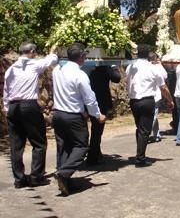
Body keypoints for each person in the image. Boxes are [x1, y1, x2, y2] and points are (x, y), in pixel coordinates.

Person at [52, 43, 106, 196]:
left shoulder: (58, 70)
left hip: (58, 114)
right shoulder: (80, 75)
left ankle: (65, 180)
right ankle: (64, 173)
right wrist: (97, 115)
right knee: (81, 145)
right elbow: (89, 98)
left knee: (63, 147)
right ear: (81, 57)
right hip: (73, 116)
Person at [3, 42, 58, 188]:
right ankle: (36, 176)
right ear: (32, 51)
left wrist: (7, 109)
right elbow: (51, 60)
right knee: (39, 142)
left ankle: (19, 179)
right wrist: (53, 50)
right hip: (28, 105)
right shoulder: (33, 65)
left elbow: (6, 92)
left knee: (16, 144)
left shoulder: (11, 70)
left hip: (13, 106)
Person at [126, 45, 174, 166]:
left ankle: (139, 152)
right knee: (145, 129)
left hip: (134, 101)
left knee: (140, 128)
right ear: (148, 54)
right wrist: (170, 100)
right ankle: (140, 157)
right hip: (147, 100)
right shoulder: (152, 68)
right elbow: (163, 87)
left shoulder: (130, 67)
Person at [86, 65, 121, 165]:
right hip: (99, 100)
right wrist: (114, 65)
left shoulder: (83, 66)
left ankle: (94, 152)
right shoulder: (104, 67)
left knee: (92, 130)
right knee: (97, 130)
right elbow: (117, 78)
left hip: (84, 100)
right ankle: (92, 155)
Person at [148, 52, 167, 143]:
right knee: (153, 116)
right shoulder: (157, 67)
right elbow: (165, 76)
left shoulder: (145, 66)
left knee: (153, 116)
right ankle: (149, 133)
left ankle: (154, 134)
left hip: (151, 95)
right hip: (155, 95)